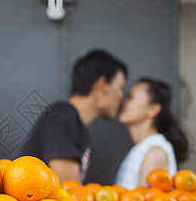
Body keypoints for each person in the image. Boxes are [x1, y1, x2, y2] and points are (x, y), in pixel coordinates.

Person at [20, 50, 128, 183]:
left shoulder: (74, 122)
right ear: (102, 85)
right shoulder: (63, 117)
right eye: (121, 87)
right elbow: (69, 192)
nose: (122, 97)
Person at [115, 78, 189, 189]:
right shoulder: (143, 149)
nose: (123, 102)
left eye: (130, 97)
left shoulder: (155, 153)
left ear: (153, 109)